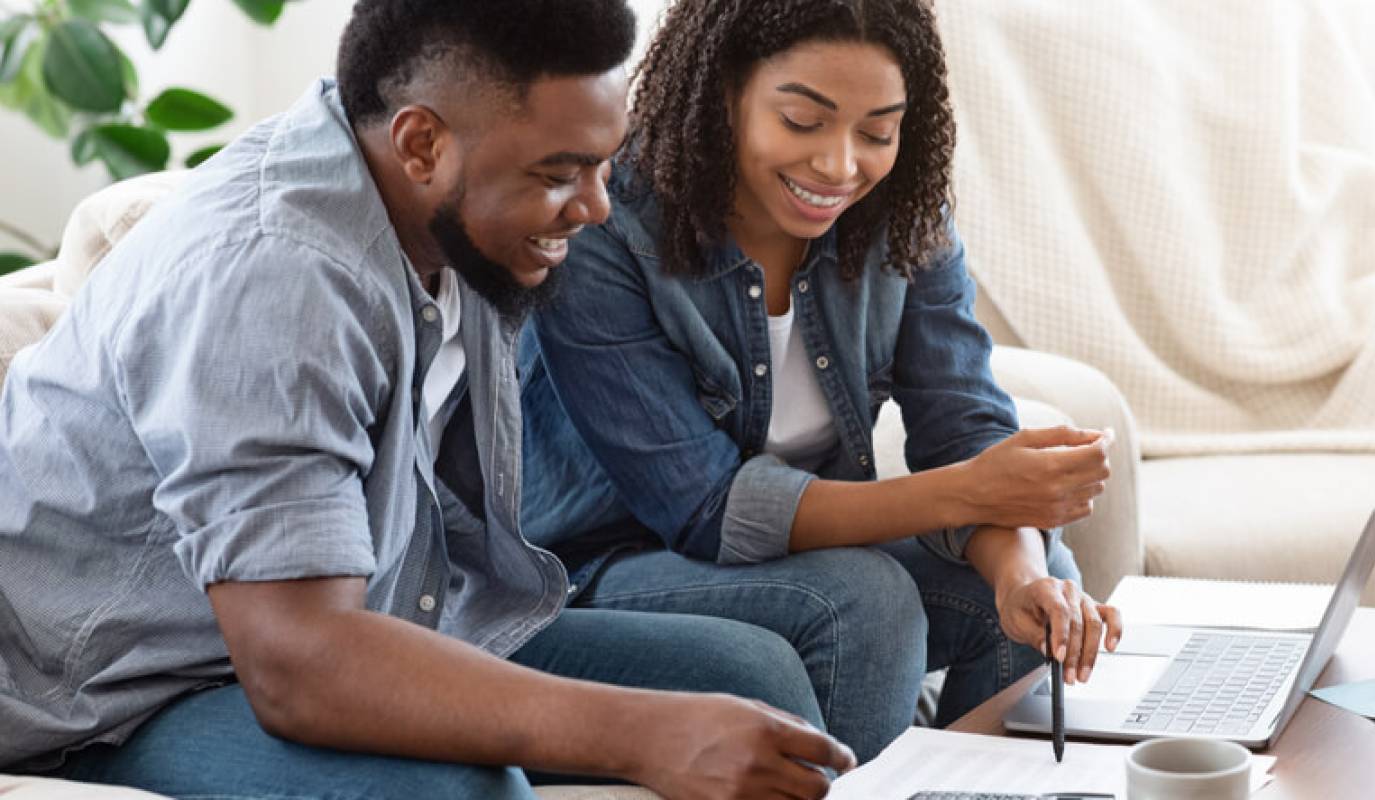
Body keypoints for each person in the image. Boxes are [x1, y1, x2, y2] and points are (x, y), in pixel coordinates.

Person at [0, 1, 855, 797]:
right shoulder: (278, 279)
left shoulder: (449, 210)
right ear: (420, 145)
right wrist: (643, 735)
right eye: (562, 172)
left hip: (375, 609)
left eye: (602, 164)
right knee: (461, 792)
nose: (595, 207)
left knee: (757, 680)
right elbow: (301, 662)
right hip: (123, 689)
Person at [520, 0, 1124, 762]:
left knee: (1035, 584)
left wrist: (1019, 574)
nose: (841, 166)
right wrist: (978, 490)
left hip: (789, 563)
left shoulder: (901, 212)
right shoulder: (610, 221)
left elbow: (963, 422)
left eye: (876, 132)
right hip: (597, 569)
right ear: (724, 92)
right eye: (803, 122)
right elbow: (705, 507)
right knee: (864, 602)